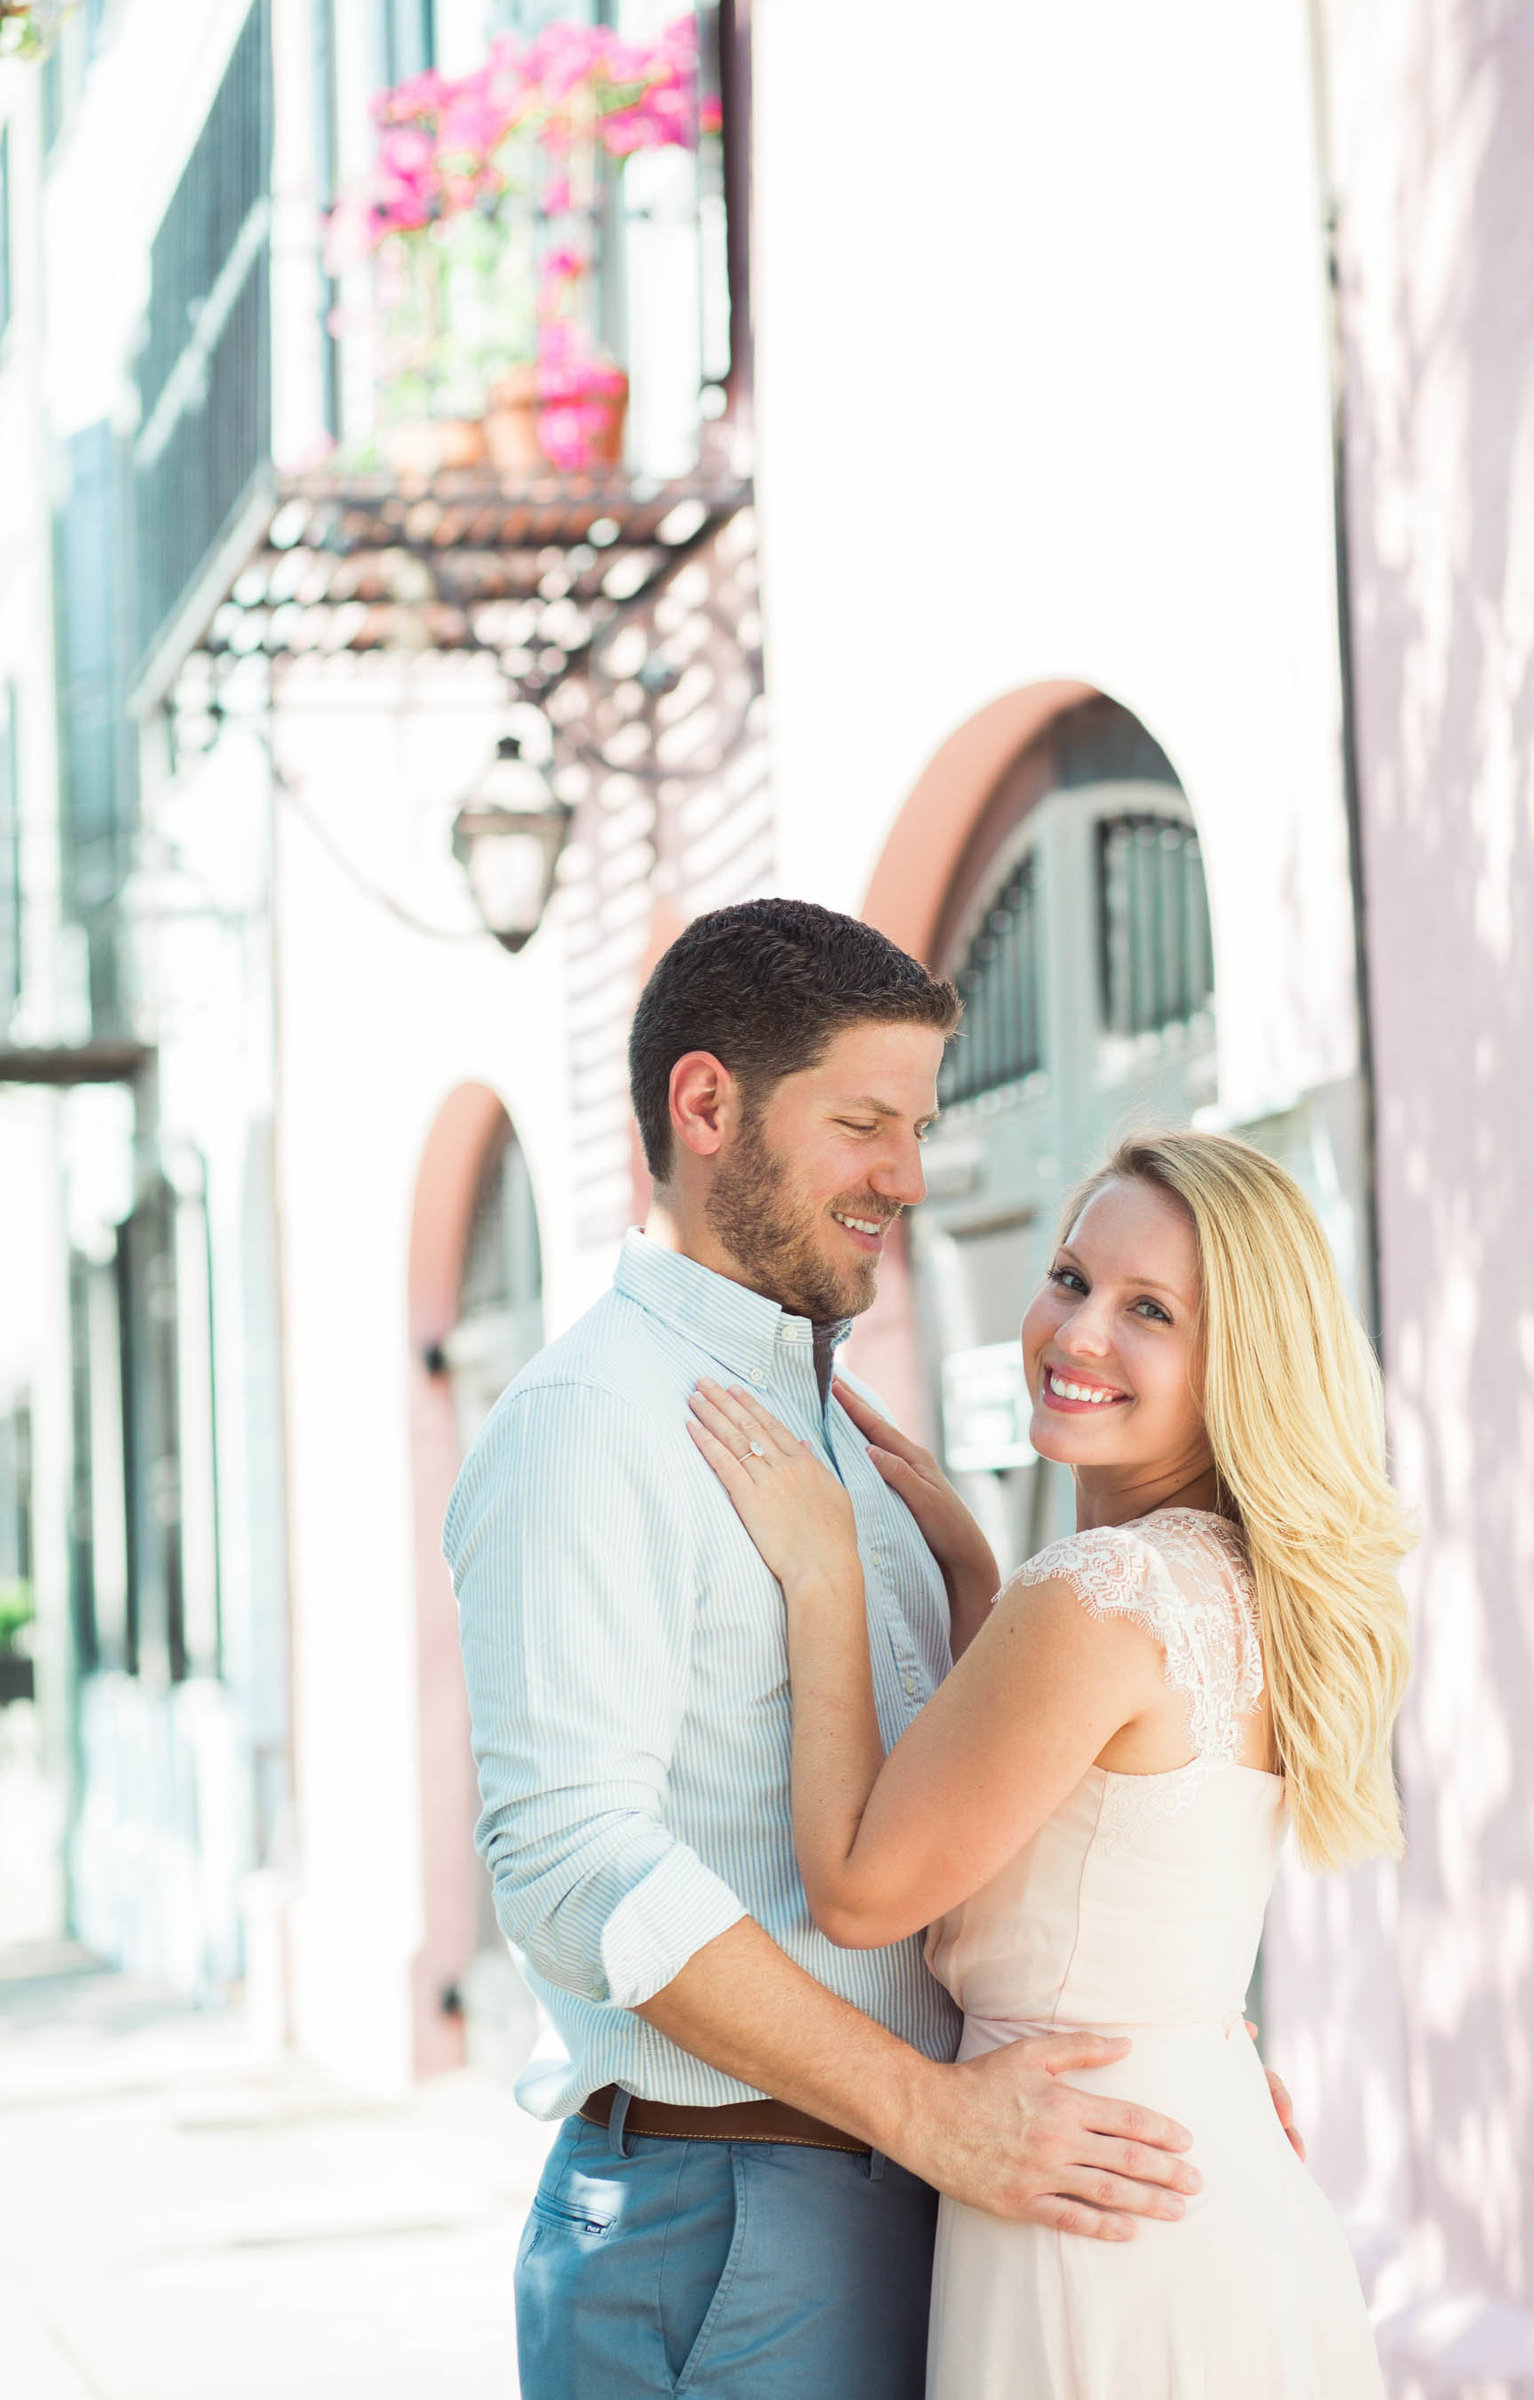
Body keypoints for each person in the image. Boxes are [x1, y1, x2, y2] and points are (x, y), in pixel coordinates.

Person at [446, 902, 1302, 2400]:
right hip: (730, 2221)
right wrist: (929, 2113)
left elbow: (980, 1818)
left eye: (915, 1127)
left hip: (922, 2200)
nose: (907, 1178)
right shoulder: (597, 1421)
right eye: (864, 1124)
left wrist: (1166, 2026)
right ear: (707, 1105)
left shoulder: (837, 1433)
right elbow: (577, 1869)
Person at [689, 1126, 1412, 2397]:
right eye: (1072, 1278)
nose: (1078, 1335)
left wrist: (824, 1575)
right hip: (1212, 2173)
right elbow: (1080, 1834)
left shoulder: (1102, 1594)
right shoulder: (1240, 1582)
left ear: (1236, 1359)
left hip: (1088, 2214)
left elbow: (861, 1890)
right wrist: (975, 1578)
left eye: (1151, 1312)